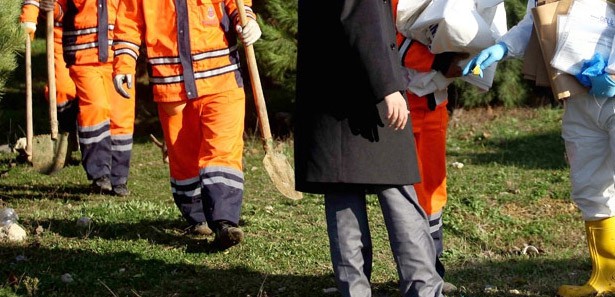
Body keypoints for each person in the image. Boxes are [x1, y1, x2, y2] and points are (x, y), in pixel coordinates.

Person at [463, 1, 615, 296]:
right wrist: (502, 48)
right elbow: (532, 25)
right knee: (590, 187)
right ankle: (606, 277)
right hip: (580, 97)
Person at [294, 0, 444, 296]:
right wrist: (388, 87)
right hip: (366, 98)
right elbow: (364, 21)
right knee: (398, 194)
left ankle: (355, 290)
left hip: (329, 99)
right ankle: (423, 288)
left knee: (343, 194)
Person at [111, 0, 261, 249]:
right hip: (171, 87)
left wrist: (247, 20)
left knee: (222, 149)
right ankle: (196, 215)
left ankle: (224, 221)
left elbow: (236, 3)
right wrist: (124, 63)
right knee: (184, 159)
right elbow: (128, 21)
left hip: (221, 79)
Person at [392, 0, 470, 292]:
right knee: (409, 196)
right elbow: (388, 41)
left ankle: (432, 269)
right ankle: (416, 273)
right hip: (403, 107)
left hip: (434, 103)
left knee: (434, 191)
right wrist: (439, 61)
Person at [40, 0, 136, 197]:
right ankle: (99, 174)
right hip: (83, 57)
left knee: (121, 118)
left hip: (119, 58)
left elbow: (136, 15)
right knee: (95, 107)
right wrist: (50, 9)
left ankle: (119, 178)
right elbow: (61, 10)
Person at [20, 0, 79, 147]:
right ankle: (68, 139)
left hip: (97, 37)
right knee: (61, 88)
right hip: (60, 35)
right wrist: (28, 21)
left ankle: (93, 142)